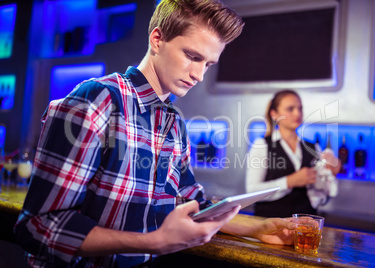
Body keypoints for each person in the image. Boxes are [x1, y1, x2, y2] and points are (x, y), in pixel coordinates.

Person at [15, 1, 296, 267]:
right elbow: (38, 226)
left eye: (208, 64)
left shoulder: (175, 122)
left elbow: (190, 202)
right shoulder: (99, 99)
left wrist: (257, 228)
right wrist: (154, 242)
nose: (199, 75)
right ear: (157, 39)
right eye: (192, 56)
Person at [246, 90, 341, 218]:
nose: (297, 113)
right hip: (270, 226)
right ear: (274, 114)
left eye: (300, 108)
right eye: (290, 109)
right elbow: (252, 191)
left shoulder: (314, 147)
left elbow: (321, 198)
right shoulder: (262, 145)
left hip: (305, 227)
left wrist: (331, 175)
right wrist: (289, 181)